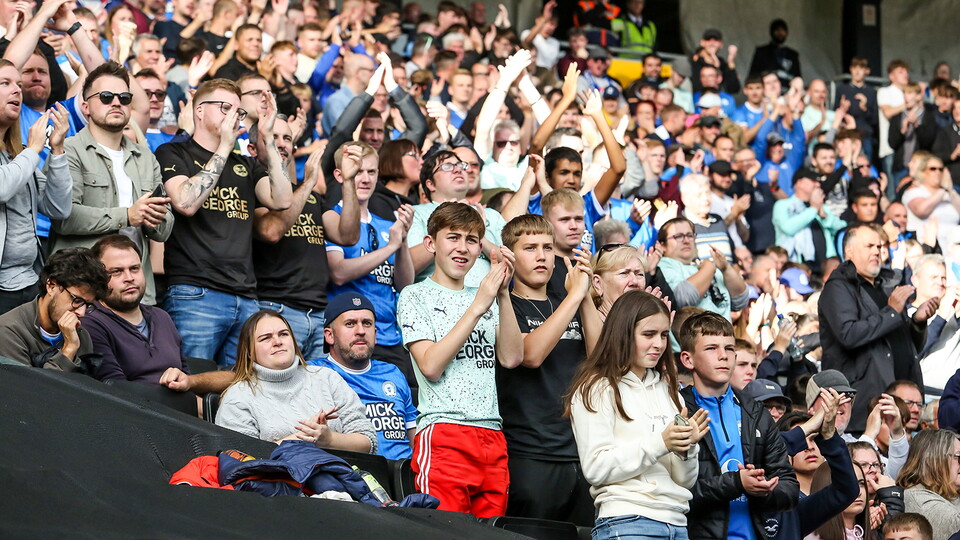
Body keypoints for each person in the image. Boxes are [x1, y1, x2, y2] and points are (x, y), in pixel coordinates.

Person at [396, 202, 524, 517]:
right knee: (446, 531)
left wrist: (503, 295)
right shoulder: (414, 295)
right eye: (453, 237)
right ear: (431, 244)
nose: (462, 247)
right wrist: (478, 305)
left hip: (492, 435)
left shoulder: (487, 295)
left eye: (471, 239)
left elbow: (512, 357)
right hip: (444, 432)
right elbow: (430, 366)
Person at [156, 79, 292, 366]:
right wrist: (224, 147)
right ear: (200, 111)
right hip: (195, 293)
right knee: (191, 382)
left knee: (240, 390)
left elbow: (281, 199)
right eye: (225, 108)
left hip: (245, 296)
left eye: (239, 112)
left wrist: (267, 138)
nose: (234, 117)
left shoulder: (244, 164)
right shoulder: (174, 152)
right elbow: (186, 202)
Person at [567, 290, 709, 539]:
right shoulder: (596, 388)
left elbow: (685, 481)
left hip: (677, 523)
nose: (659, 344)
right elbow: (596, 468)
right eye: (648, 334)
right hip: (628, 520)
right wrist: (661, 442)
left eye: (664, 335)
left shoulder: (669, 391)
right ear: (623, 333)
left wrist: (687, 448)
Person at [497, 214, 599, 525]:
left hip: (581, 452)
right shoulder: (504, 305)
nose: (542, 256)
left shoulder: (568, 303)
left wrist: (583, 300)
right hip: (530, 455)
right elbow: (530, 355)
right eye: (530, 248)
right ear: (511, 257)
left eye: (547, 247)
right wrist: (574, 296)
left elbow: (600, 360)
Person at [54, 61, 173, 306]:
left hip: (138, 293)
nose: (116, 102)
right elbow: (65, 219)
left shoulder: (146, 157)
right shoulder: (68, 151)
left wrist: (156, 217)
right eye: (106, 97)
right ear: (85, 107)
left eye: (124, 97)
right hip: (85, 292)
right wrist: (128, 215)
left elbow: (163, 230)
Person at [678, 311, 799, 539]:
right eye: (711, 348)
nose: (723, 356)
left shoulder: (755, 412)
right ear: (687, 359)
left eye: (729, 348)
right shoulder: (676, 409)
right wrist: (737, 483)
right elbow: (675, 494)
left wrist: (765, 489)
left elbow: (789, 487)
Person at [820, 224, 937, 432]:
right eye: (869, 246)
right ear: (849, 251)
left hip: (900, 404)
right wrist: (892, 312)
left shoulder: (885, 285)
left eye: (880, 246)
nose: (877, 251)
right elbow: (848, 335)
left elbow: (907, 346)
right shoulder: (838, 287)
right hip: (865, 406)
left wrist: (917, 322)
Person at [215, 310, 377, 452]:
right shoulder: (237, 398)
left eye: (283, 334)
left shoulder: (327, 378)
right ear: (249, 351)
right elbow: (240, 459)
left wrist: (330, 440)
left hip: (344, 478)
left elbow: (368, 441)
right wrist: (303, 437)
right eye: (265, 338)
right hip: (277, 484)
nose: (277, 342)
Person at [324, 141, 415, 388]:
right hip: (350, 339)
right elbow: (339, 272)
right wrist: (389, 248)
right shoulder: (333, 219)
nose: (364, 179)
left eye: (371, 172)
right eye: (358, 171)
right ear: (339, 175)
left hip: (389, 337)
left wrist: (403, 240)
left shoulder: (387, 225)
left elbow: (404, 284)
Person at [0, 60, 73, 314]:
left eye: (18, 85)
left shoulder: (18, 155)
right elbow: (2, 188)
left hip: (30, 282)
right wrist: (33, 149)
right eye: (5, 83)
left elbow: (58, 207)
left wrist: (58, 150)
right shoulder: (27, 154)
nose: (17, 90)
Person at [313, 292, 418, 461]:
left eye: (367, 323)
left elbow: (414, 436)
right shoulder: (314, 373)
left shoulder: (393, 372)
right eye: (350, 324)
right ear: (329, 335)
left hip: (404, 476)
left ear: (375, 334)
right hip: (352, 477)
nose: (361, 331)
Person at [0, 248, 106, 371]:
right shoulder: (8, 331)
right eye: (76, 300)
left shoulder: (81, 336)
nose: (81, 312)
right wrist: (69, 350)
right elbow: (30, 388)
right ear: (51, 286)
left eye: (87, 305)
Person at [657, 217, 749, 321]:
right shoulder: (663, 266)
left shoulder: (704, 267)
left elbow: (741, 301)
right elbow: (683, 299)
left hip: (725, 334)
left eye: (690, 235)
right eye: (678, 236)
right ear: (662, 245)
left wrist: (726, 268)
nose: (686, 240)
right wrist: (709, 267)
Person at [772, 169, 846, 273]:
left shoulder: (822, 206)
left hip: (825, 266)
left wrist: (824, 217)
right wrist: (813, 210)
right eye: (813, 180)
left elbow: (841, 227)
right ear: (799, 183)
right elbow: (788, 228)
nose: (817, 184)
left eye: (818, 181)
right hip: (796, 265)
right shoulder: (783, 205)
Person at [897, 429, 960, 540]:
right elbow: (955, 526)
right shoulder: (918, 499)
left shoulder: (948, 492)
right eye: (958, 457)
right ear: (932, 461)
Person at [902, 154, 960, 250]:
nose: (937, 172)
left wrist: (950, 191)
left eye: (941, 169)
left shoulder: (949, 193)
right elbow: (921, 210)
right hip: (927, 248)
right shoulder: (914, 191)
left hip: (953, 248)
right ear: (922, 172)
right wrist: (943, 189)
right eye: (933, 169)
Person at [806, 462, 873, 540]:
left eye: (861, 484)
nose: (858, 492)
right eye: (848, 485)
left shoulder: (866, 534)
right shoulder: (811, 537)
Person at [590, 244, 648, 320]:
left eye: (639, 274)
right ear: (598, 283)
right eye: (624, 273)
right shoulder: (585, 327)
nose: (635, 281)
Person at [748, 19, 801, 87]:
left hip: (787, 93)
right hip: (766, 92)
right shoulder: (761, 52)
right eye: (777, 30)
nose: (780, 33)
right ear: (772, 32)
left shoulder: (793, 55)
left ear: (787, 33)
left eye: (783, 30)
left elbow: (798, 78)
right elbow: (753, 76)